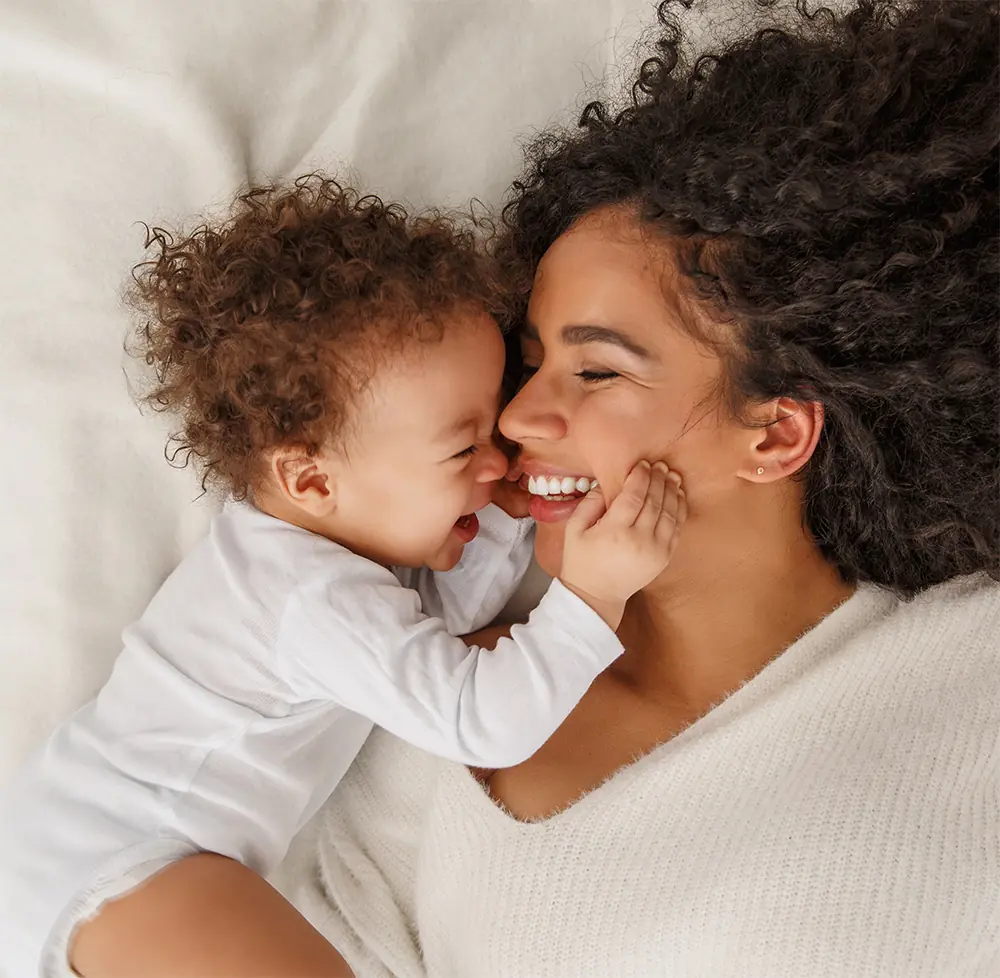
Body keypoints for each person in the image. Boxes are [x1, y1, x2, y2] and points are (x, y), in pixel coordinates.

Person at [0, 178, 686, 978]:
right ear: (314, 480)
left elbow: (435, 635)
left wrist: (508, 507)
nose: (499, 458)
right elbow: (474, 713)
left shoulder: (311, 561)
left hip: (99, 861)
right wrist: (592, 597)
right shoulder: (305, 596)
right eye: (464, 450)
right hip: (122, 862)